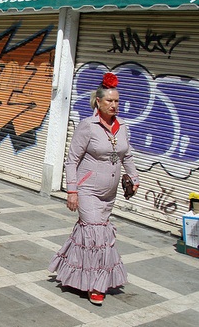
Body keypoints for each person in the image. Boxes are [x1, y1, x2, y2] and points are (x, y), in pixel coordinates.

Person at [48, 72, 139, 305]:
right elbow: (71, 160)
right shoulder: (87, 126)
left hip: (110, 192)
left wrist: (134, 177)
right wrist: (72, 191)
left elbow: (126, 155)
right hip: (87, 189)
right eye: (109, 101)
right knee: (96, 234)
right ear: (98, 102)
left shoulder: (122, 127)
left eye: (117, 101)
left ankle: (73, 273)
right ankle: (95, 285)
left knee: (91, 235)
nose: (114, 105)